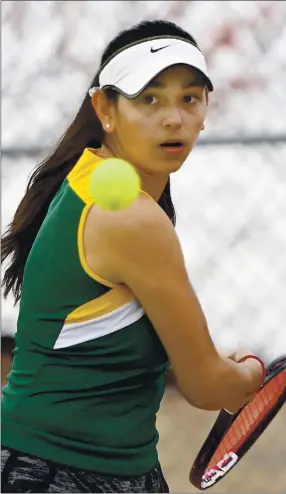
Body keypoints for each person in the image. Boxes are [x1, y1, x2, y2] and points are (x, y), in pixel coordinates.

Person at [1, 19, 265, 493]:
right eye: (149, 98)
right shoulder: (131, 217)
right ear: (105, 108)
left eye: (189, 98)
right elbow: (206, 386)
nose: (173, 118)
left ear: (206, 110)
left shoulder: (83, 180)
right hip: (48, 473)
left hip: (117, 471)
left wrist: (215, 364)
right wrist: (252, 371)